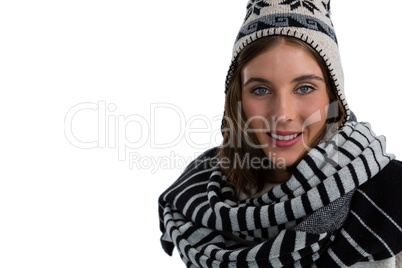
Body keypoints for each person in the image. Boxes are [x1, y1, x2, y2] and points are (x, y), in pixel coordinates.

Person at [158, 1, 402, 267]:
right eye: (261, 90)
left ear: (334, 95)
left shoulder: (392, 195)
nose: (282, 113)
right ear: (237, 99)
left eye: (305, 88)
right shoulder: (193, 195)